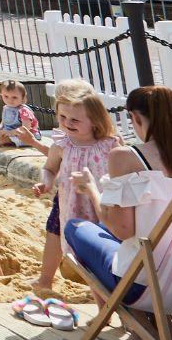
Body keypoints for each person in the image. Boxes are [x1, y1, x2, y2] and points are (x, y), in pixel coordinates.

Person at [62, 85, 172, 340]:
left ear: (135, 118)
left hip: (146, 285)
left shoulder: (127, 157)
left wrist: (91, 189)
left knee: (77, 228)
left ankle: (147, 329)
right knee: (143, 245)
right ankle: (155, 329)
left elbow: (121, 229)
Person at [28, 79, 121, 300]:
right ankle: (48, 280)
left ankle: (108, 305)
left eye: (74, 119)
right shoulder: (62, 145)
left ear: (95, 120)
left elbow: (123, 173)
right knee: (72, 248)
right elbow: (49, 168)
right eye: (62, 117)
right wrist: (46, 182)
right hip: (70, 206)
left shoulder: (110, 144)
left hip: (101, 206)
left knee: (101, 255)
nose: (67, 123)